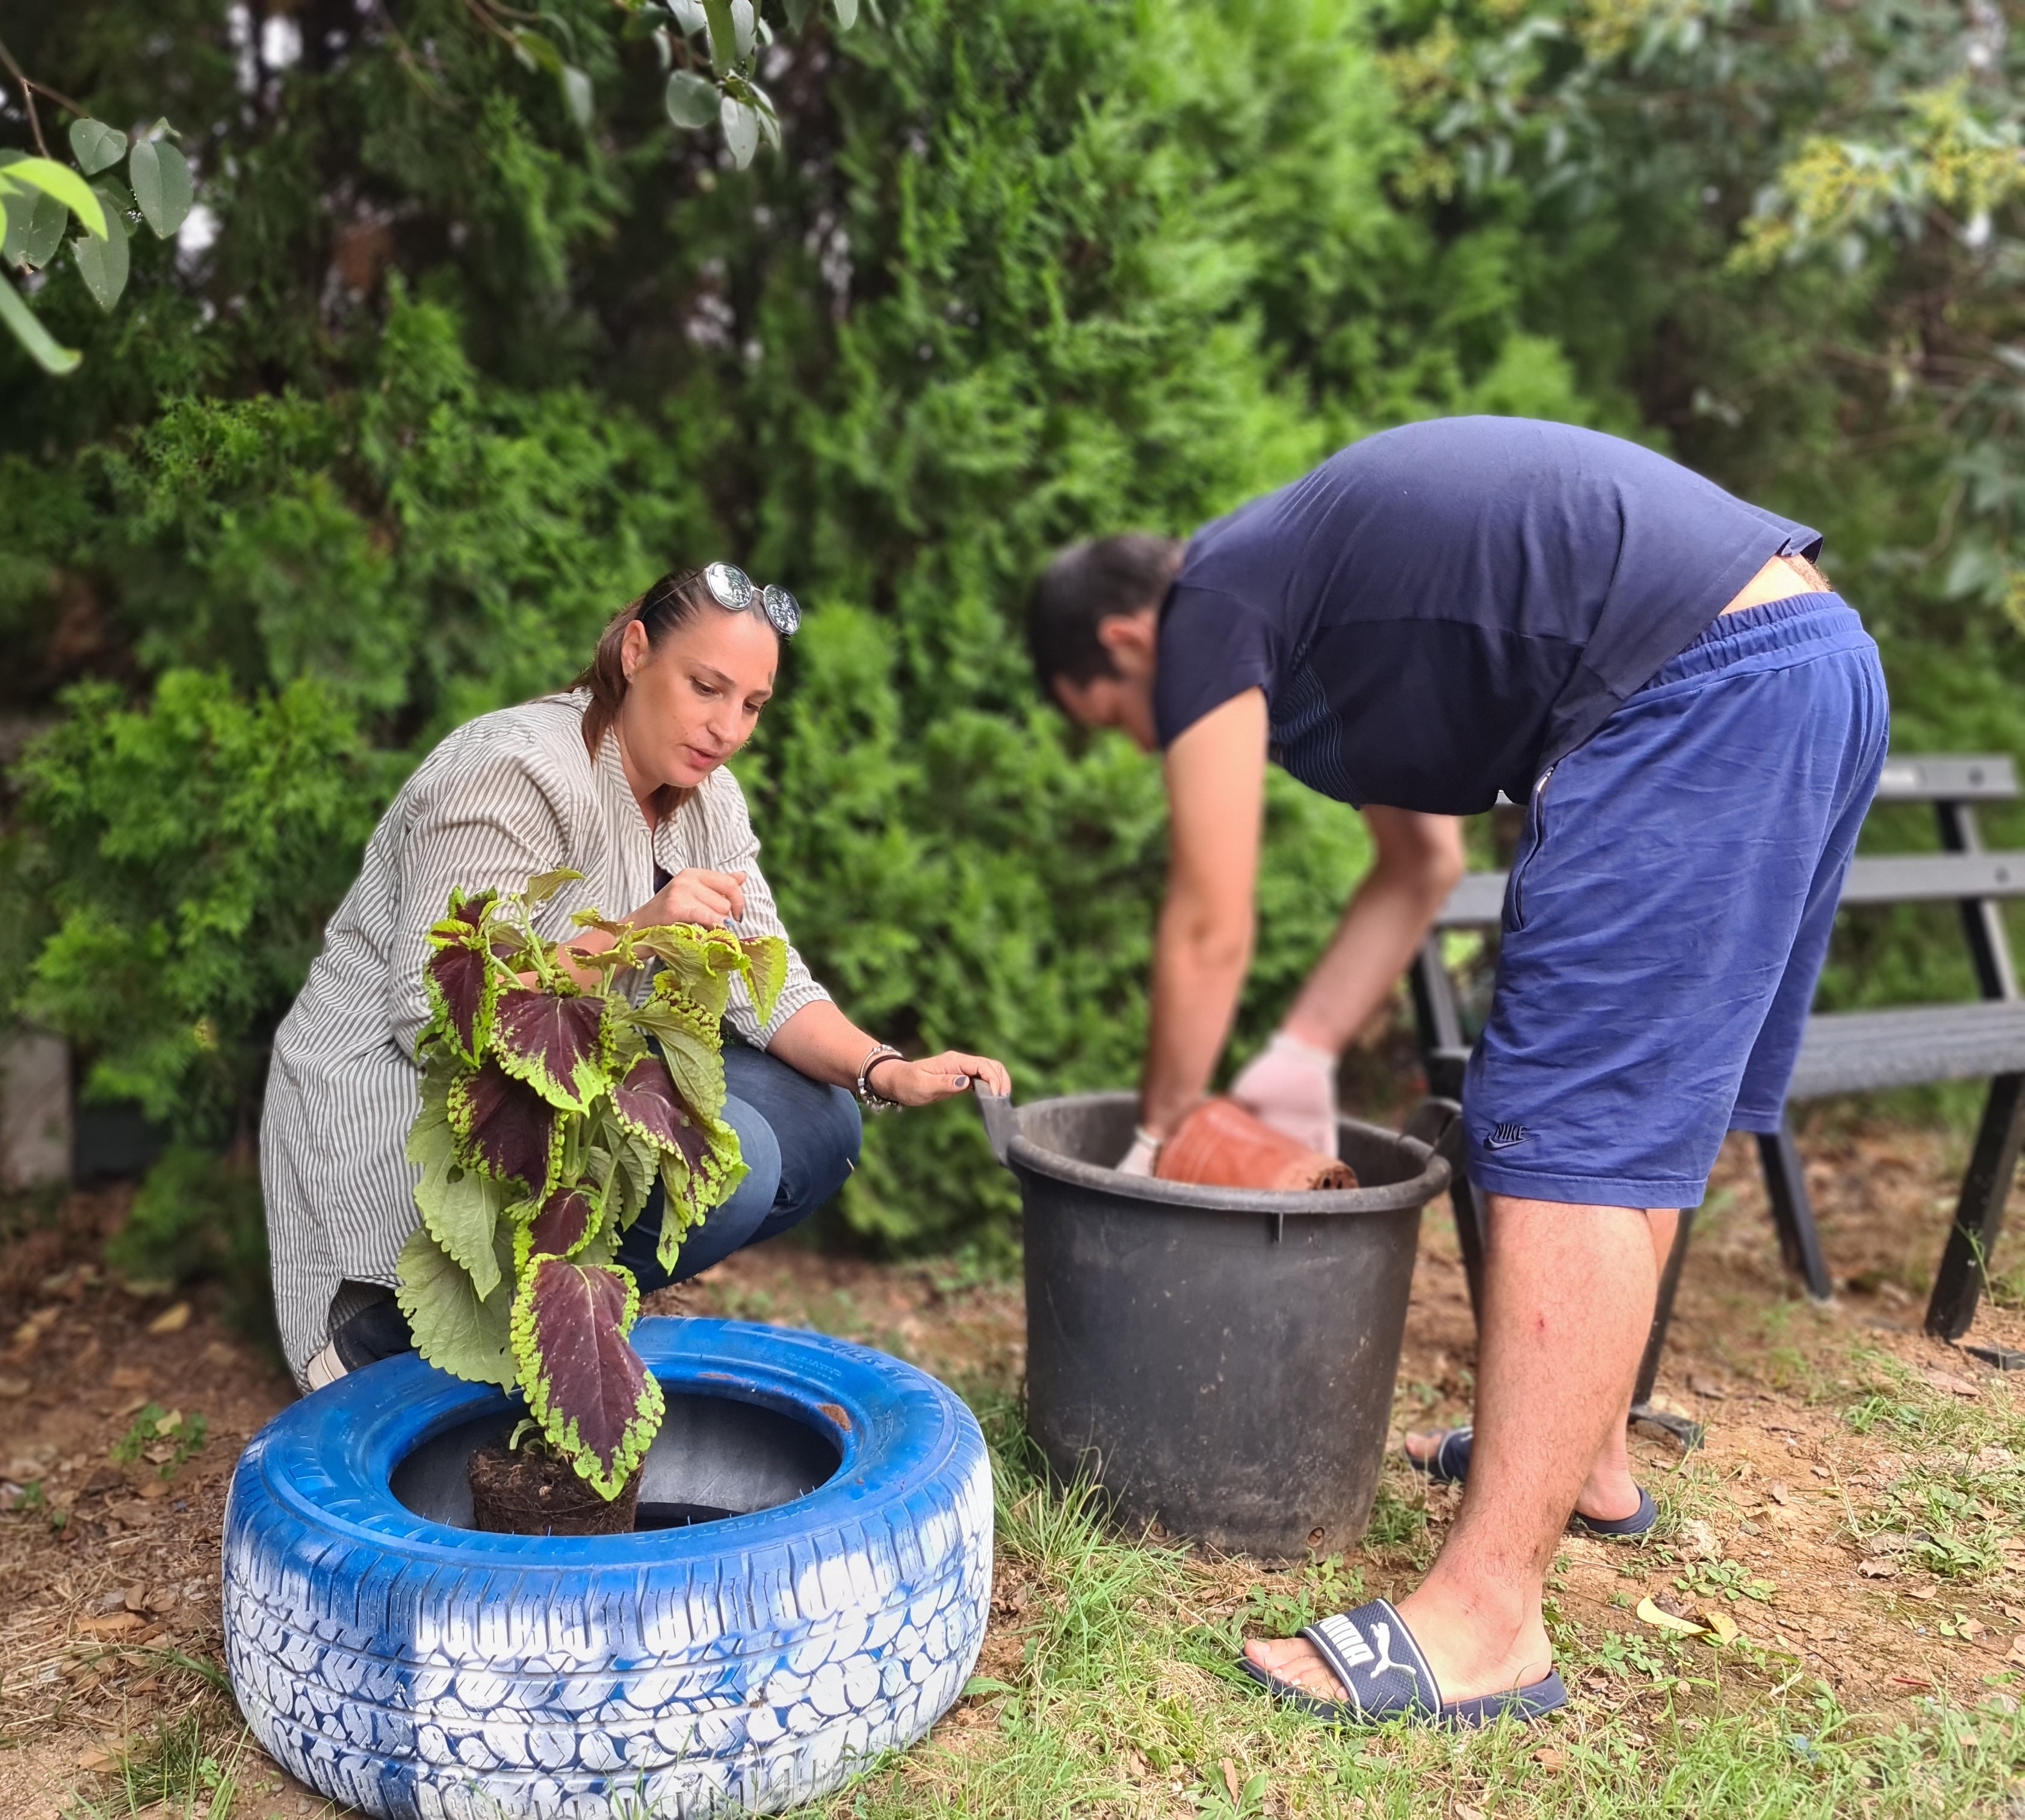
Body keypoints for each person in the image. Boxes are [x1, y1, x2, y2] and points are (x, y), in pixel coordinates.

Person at [1030, 416, 1887, 1727]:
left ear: (1128, 643)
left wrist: (1160, 1137)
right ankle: (1587, 1459)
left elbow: (1211, 920)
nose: (1152, 745)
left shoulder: (1210, 603)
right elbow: (1419, 868)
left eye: (1119, 721)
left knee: (1568, 1128)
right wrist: (1308, 1049)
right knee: (1634, 1115)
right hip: (1807, 661)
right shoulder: (1317, 605)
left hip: (1701, 681)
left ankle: (1488, 1618)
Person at [263, 564, 1012, 1390]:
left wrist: (887, 1068)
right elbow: (434, 1012)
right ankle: (385, 1340)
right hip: (406, 1106)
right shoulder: (511, 771)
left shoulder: (705, 798)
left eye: (752, 706)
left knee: (821, 1123)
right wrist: (635, 936)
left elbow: (770, 982)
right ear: (634, 653)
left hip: (563, 1086)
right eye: (706, 687)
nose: (727, 727)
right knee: (735, 1164)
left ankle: (556, 1311)